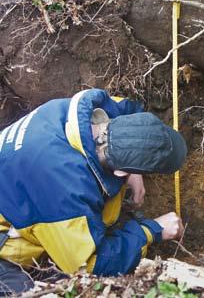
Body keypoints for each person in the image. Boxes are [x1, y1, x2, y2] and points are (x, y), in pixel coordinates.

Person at [0, 89, 187, 295]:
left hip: (21, 180)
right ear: (120, 172)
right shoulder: (63, 194)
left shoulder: (92, 108)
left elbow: (128, 109)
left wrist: (134, 164)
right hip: (8, 246)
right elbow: (91, 267)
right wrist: (152, 230)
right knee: (53, 291)